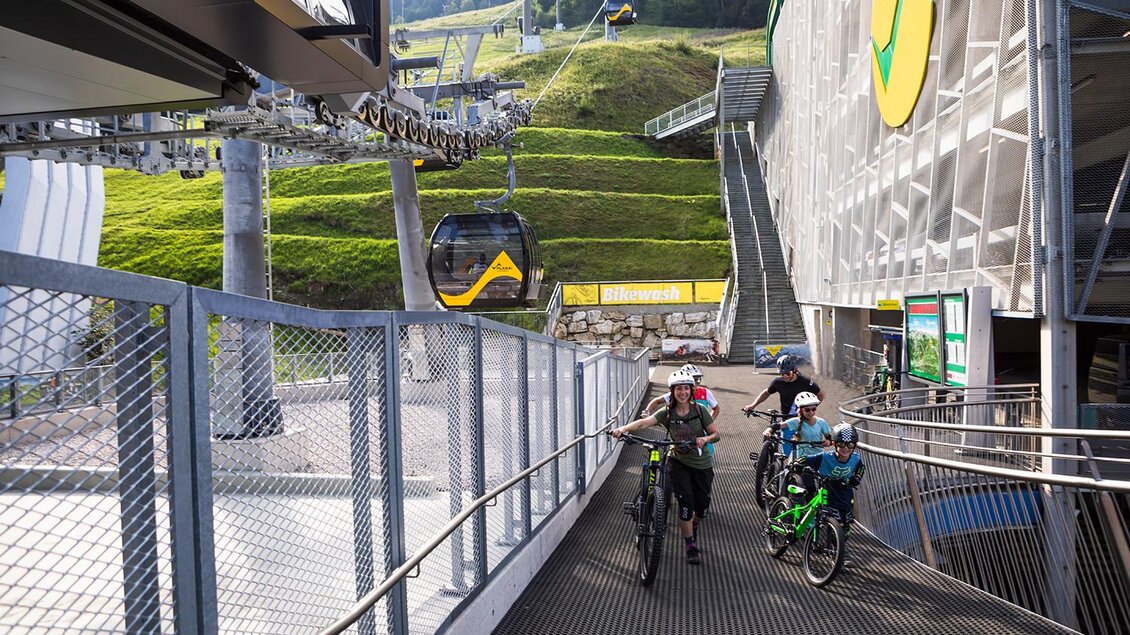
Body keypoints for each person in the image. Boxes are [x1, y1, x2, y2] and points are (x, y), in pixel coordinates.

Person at [612, 370, 720, 566]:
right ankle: (690, 545)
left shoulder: (700, 411)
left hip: (702, 464)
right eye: (679, 389)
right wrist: (623, 429)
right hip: (678, 462)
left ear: (691, 390)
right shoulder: (667, 413)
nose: (683, 392)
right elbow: (644, 422)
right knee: (685, 503)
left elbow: (716, 434)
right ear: (672, 391)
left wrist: (705, 438)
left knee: (702, 507)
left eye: (686, 388)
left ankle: (693, 526)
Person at [795, 423, 866, 567]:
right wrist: (796, 464)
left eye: (850, 445)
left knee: (845, 525)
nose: (846, 448)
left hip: (845, 494)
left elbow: (861, 468)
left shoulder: (855, 459)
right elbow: (806, 459)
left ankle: (840, 549)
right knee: (835, 521)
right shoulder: (825, 457)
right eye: (841, 444)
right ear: (834, 444)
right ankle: (837, 552)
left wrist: (856, 478)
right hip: (827, 492)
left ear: (854, 446)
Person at [741, 354, 825, 416]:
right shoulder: (778, 382)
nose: (785, 376)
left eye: (788, 373)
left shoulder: (805, 381)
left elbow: (820, 395)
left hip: (803, 417)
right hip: (786, 416)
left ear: (794, 370)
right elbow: (766, 392)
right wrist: (753, 405)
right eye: (782, 374)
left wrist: (810, 409)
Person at [764, 391, 831, 458]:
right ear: (801, 410)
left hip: (818, 457)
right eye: (807, 410)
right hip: (801, 458)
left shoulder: (821, 422)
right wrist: (768, 430)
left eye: (813, 409)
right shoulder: (796, 421)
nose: (811, 412)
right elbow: (778, 425)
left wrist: (828, 442)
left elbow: (830, 438)